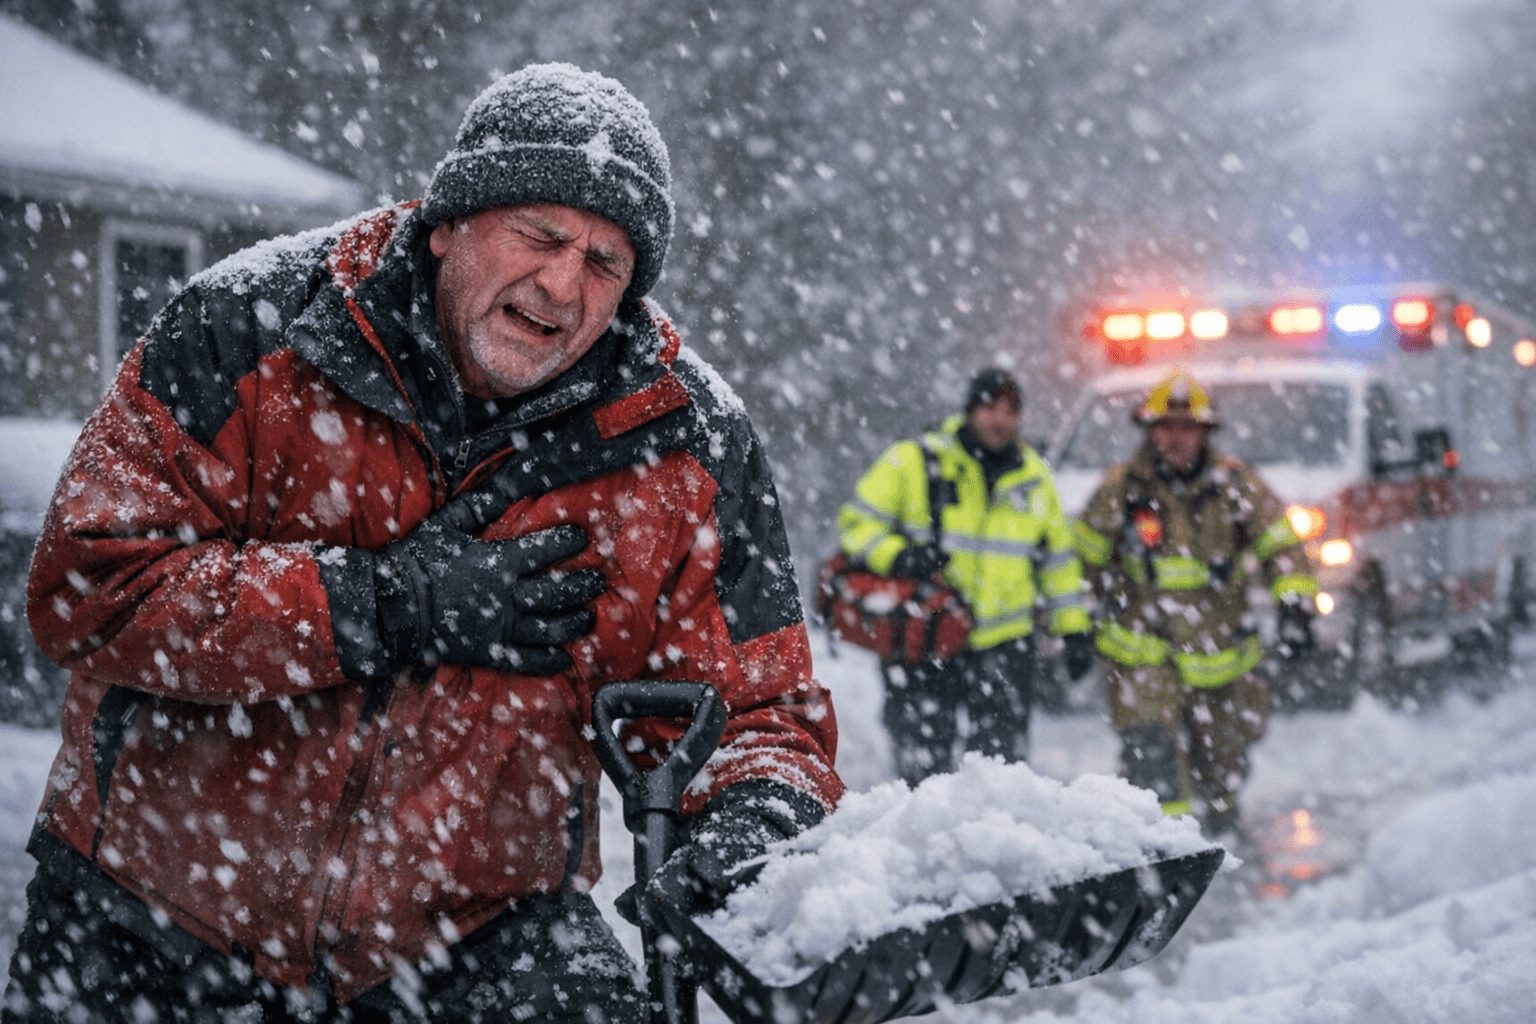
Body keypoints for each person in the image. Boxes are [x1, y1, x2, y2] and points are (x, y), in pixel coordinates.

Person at [2, 63, 843, 1023]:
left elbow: (757, 710)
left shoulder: (685, 441)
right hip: (152, 913)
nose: (562, 284)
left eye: (605, 263)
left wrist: (755, 816)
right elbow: (89, 585)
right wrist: (391, 604)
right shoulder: (245, 326)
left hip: (476, 942)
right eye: (541, 234)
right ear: (447, 224)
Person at [1072, 368, 1316, 841]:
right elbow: (1083, 560)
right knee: (1152, 761)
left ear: (1206, 431)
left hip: (1219, 658)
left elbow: (1281, 545)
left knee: (1222, 769)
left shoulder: (1237, 486)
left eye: (1187, 427)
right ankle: (1164, 853)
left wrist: (1295, 609)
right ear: (1149, 430)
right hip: (1144, 657)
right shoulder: (1122, 490)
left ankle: (1221, 839)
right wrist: (1074, 624)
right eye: (1165, 427)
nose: (1176, 438)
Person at [836, 368, 1095, 784]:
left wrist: (1074, 629)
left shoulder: (1034, 479)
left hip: (1005, 644)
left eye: (1010, 410)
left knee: (999, 778)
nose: (999, 419)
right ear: (970, 410)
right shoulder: (914, 461)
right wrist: (899, 557)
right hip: (927, 637)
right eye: (990, 407)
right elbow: (855, 524)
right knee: (922, 774)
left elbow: (1058, 562)